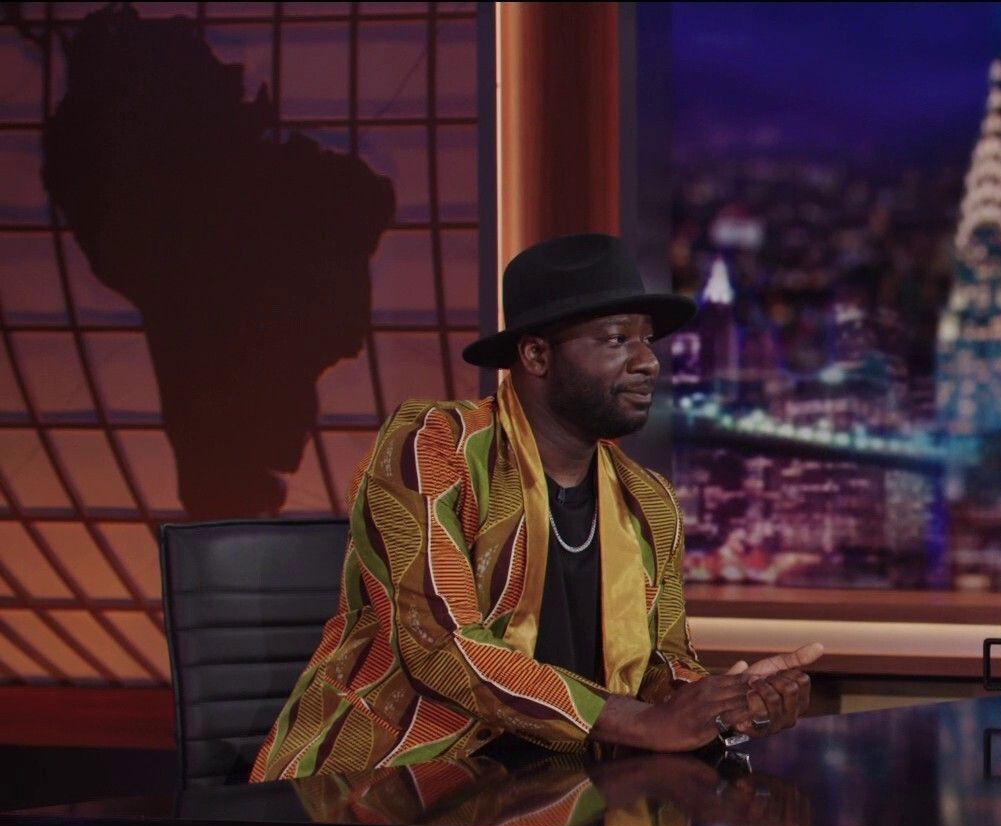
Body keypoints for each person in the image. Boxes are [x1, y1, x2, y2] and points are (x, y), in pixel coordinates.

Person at [252, 234, 822, 781]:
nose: (648, 362)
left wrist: (727, 703)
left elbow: (657, 666)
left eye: (647, 340)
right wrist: (642, 723)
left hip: (561, 789)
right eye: (617, 340)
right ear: (536, 355)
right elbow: (440, 644)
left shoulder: (648, 500)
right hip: (387, 782)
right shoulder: (434, 446)